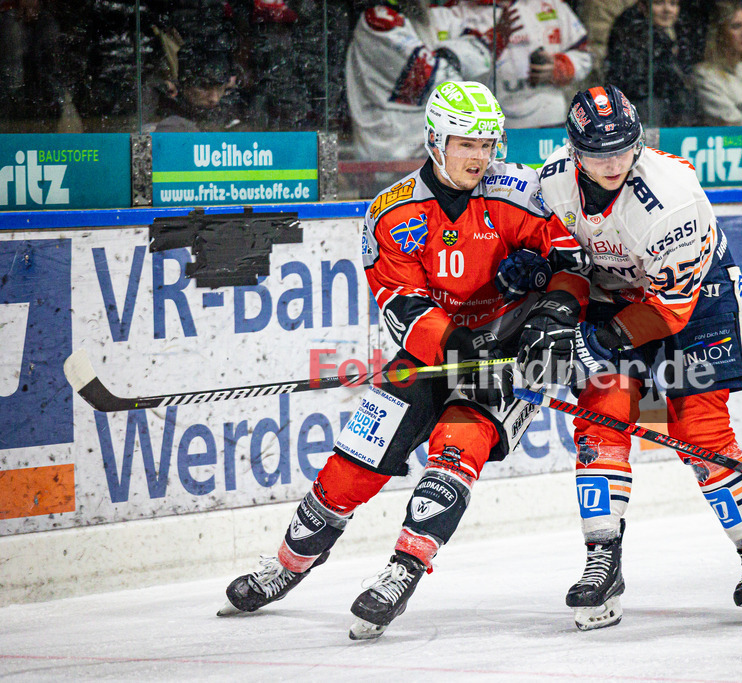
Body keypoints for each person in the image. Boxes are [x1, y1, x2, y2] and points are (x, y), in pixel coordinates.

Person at [218, 80, 591, 640]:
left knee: (454, 453)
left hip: (507, 359)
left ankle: (402, 569)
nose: (480, 157)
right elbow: (402, 304)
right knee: (355, 463)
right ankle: (289, 564)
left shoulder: (521, 194)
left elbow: (570, 260)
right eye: (467, 144)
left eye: (489, 145)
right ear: (436, 142)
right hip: (430, 356)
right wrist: (458, 348)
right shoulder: (391, 213)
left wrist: (552, 310)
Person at [517, 84, 742, 630]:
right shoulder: (551, 182)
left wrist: (594, 344)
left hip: (697, 299)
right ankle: (603, 561)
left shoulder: (672, 196)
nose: (613, 162)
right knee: (603, 415)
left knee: (700, 428)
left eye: (623, 148)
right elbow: (563, 257)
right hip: (612, 292)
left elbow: (668, 312)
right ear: (574, 150)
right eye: (598, 152)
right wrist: (539, 271)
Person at [344, 1, 503, 160]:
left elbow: (474, 79)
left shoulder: (432, 18)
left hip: (430, 149)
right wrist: (481, 46)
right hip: (387, 156)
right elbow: (444, 83)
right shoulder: (377, 21)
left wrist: (463, 53)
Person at [454, 0, 592, 129]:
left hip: (550, 121)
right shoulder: (455, 11)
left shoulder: (552, 4)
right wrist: (490, 43)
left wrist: (561, 67)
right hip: (485, 125)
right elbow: (446, 72)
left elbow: (585, 55)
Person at [604, 0, 700, 126]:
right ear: (643, 6)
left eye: (673, 3)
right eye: (659, 3)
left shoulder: (678, 33)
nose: (668, 10)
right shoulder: (632, 36)